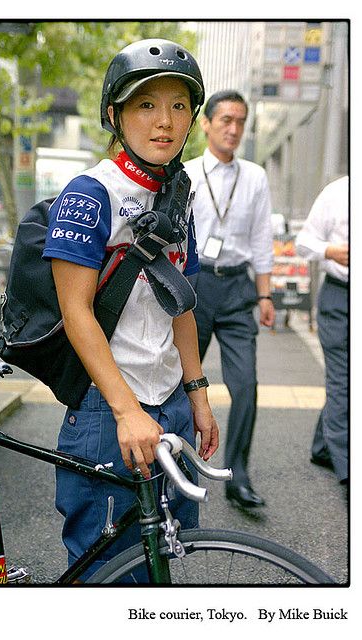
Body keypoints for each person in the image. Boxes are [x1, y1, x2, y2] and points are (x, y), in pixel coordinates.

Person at [41, 39, 219, 581]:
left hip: (170, 403)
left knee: (166, 556)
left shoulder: (177, 195)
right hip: (108, 408)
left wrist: (198, 395)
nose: (165, 121)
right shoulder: (91, 193)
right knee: (110, 574)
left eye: (179, 106)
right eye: (146, 105)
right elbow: (77, 313)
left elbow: (181, 303)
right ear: (115, 115)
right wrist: (125, 411)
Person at [184, 90, 275, 508]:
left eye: (241, 121)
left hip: (239, 289)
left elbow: (261, 238)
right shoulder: (184, 175)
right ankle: (179, 471)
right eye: (226, 120)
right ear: (206, 123)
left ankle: (238, 477)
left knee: (247, 385)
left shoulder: (255, 176)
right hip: (196, 287)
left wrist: (266, 293)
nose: (234, 129)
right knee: (183, 383)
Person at [295, 176, 349, 487]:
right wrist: (330, 250)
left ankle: (322, 446)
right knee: (342, 382)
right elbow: (304, 243)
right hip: (340, 297)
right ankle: (347, 471)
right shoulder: (337, 192)